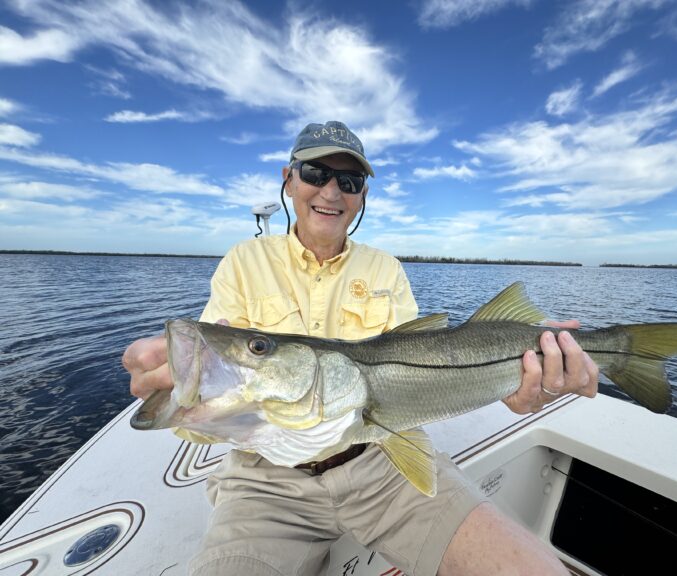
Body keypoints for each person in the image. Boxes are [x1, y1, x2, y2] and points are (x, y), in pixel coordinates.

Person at [123, 120, 599, 576]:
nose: (331, 191)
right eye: (315, 173)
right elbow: (221, 390)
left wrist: (517, 382)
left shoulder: (385, 269)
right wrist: (174, 395)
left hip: (380, 458)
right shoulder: (243, 261)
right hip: (264, 480)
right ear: (288, 181)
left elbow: (422, 366)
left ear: (362, 196)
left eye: (349, 181)